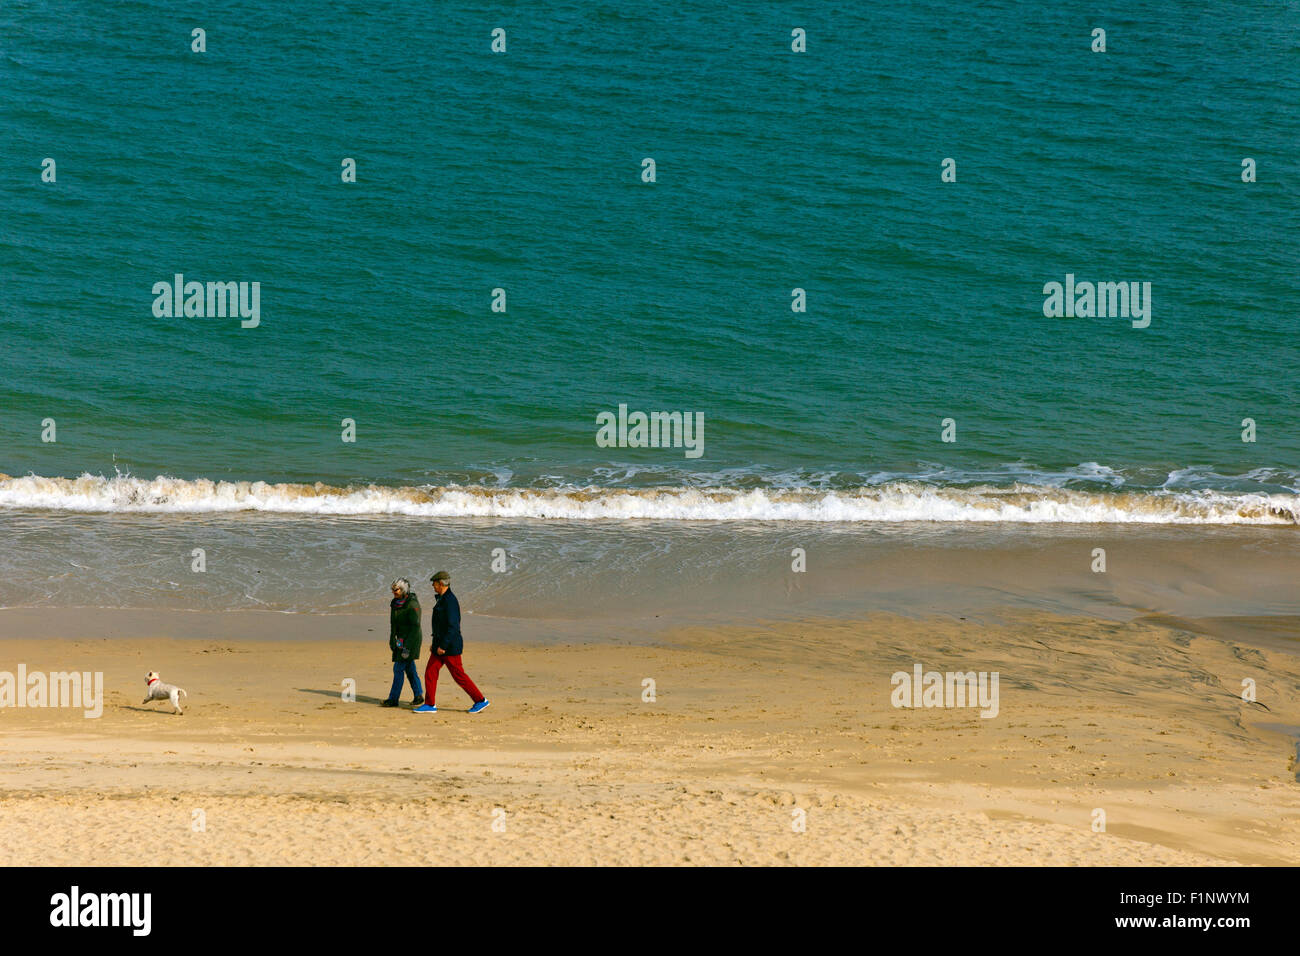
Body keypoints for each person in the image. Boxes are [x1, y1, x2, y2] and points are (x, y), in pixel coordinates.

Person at [414, 571, 489, 714]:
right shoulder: (442, 598)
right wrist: (435, 643)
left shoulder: (450, 601)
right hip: (440, 645)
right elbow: (440, 625)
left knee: (459, 676)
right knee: (430, 672)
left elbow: (453, 626)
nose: (432, 586)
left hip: (450, 647)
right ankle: (430, 704)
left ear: (441, 584)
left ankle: (480, 700)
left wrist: (443, 646)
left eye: (434, 583)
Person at [383, 578, 424, 708]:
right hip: (400, 640)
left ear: (404, 589)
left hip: (411, 641)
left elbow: (415, 628)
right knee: (409, 667)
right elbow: (393, 624)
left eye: (397, 589)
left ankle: (393, 699)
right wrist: (392, 639)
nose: (394, 592)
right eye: (393, 589)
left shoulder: (412, 605)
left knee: (398, 668)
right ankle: (418, 696)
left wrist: (406, 647)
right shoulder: (394, 604)